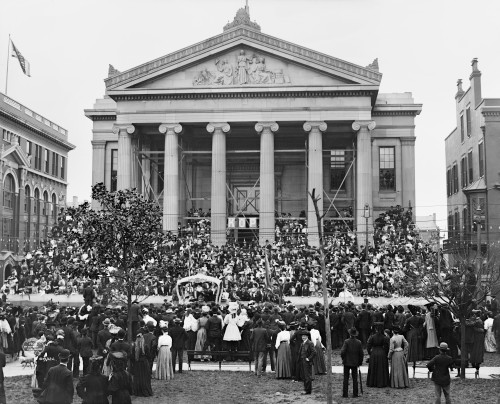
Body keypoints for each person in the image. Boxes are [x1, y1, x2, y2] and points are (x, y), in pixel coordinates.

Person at [340, 327, 363, 398]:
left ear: (350, 334)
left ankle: (345, 394)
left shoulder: (346, 341)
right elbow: (361, 354)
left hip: (347, 362)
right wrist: (359, 362)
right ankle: (355, 394)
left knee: (346, 378)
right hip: (355, 363)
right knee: (355, 379)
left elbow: (342, 352)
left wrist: (343, 359)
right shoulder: (359, 342)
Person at [366, 322, 390, 387]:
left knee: (373, 367)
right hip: (382, 353)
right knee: (381, 368)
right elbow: (387, 347)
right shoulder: (384, 337)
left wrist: (370, 353)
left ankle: (372, 382)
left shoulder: (372, 337)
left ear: (376, 329)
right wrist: (385, 353)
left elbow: (368, 346)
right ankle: (382, 382)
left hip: (374, 352)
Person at [298, 329, 316, 395]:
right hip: (302, 361)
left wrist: (309, 358)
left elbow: (314, 352)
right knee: (304, 376)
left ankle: (308, 391)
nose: (303, 337)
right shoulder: (302, 343)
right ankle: (306, 389)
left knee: (308, 376)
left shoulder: (310, 343)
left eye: (305, 336)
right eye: (302, 336)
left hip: (307, 362)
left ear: (307, 336)